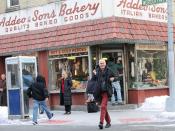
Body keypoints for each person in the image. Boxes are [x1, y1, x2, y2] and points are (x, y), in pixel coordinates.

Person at [92, 58, 114, 129]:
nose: (102, 64)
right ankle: (108, 122)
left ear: (105, 63)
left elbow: (114, 76)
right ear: (99, 64)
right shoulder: (96, 71)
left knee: (103, 107)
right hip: (98, 92)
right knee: (104, 108)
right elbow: (93, 80)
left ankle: (101, 122)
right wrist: (94, 75)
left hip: (106, 92)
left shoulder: (109, 70)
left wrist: (112, 79)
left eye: (103, 63)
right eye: (100, 63)